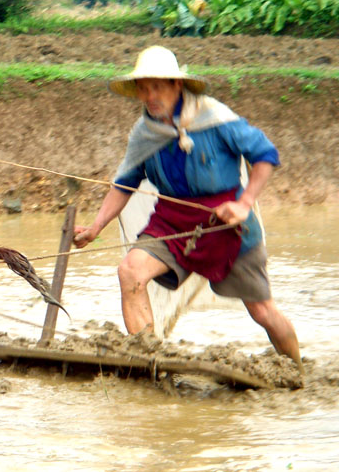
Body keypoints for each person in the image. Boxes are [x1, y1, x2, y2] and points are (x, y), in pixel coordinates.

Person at [73, 45, 303, 373]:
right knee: (130, 273)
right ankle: (148, 366)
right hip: (173, 223)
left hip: (226, 223)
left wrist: (244, 203)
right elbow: (125, 183)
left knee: (262, 311)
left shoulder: (216, 118)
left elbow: (265, 154)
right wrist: (96, 227)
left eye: (157, 86)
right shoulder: (144, 133)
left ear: (176, 85)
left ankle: (296, 374)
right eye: (143, 87)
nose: (150, 95)